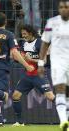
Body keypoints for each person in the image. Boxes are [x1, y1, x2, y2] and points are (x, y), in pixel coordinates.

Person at [12, 25, 55, 126]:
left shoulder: (39, 43)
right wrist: (20, 58)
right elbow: (21, 58)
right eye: (22, 34)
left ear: (31, 33)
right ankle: (19, 121)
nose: (23, 35)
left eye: (25, 33)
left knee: (50, 96)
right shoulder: (24, 44)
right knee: (15, 96)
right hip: (27, 76)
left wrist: (30, 59)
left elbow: (44, 61)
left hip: (38, 75)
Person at [38, 0, 69, 130]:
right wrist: (41, 63)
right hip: (57, 62)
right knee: (60, 89)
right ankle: (63, 121)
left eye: (66, 7)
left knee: (67, 94)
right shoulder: (52, 22)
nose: (64, 9)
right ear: (58, 8)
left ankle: (66, 121)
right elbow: (45, 43)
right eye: (61, 7)